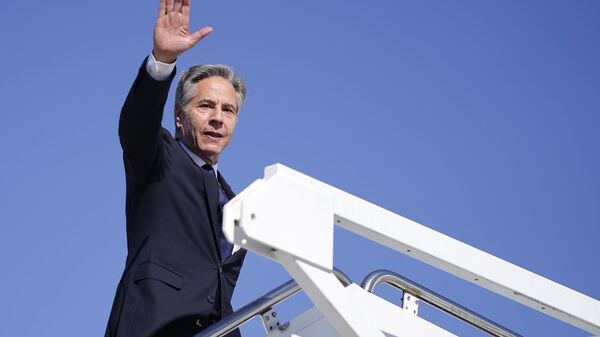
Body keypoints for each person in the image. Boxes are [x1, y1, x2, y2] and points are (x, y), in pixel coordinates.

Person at [105, 0, 247, 336]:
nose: (217, 117)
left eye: (228, 110)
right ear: (180, 116)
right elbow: (136, 124)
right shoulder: (161, 158)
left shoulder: (236, 200)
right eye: (206, 105)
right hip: (153, 324)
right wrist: (162, 60)